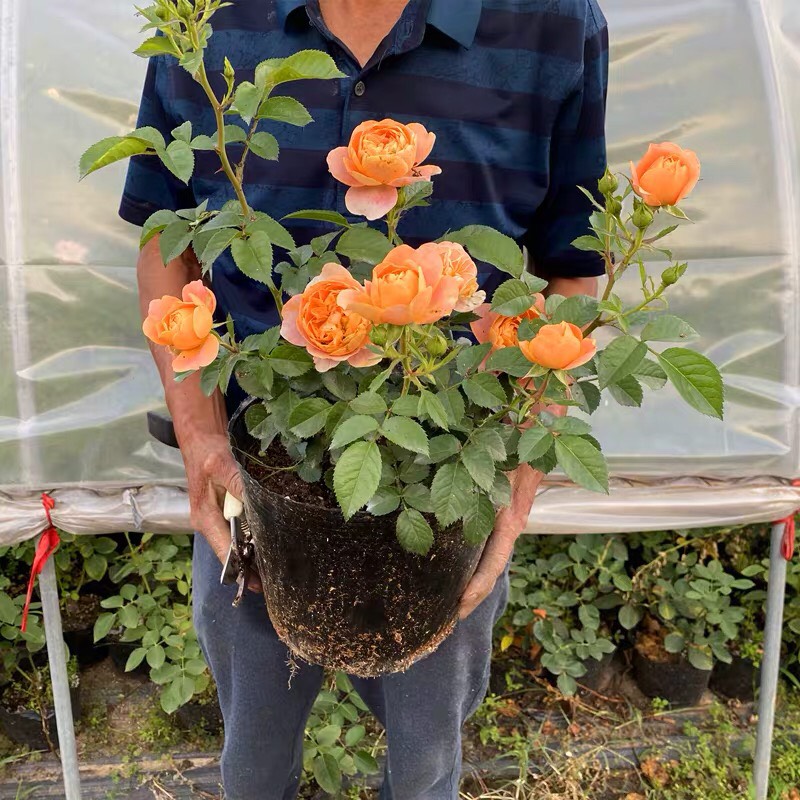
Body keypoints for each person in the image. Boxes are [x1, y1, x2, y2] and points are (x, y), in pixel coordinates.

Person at [121, 1, 609, 796]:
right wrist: (201, 437)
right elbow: (163, 237)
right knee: (250, 760)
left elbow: (570, 265)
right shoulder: (206, 18)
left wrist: (518, 476)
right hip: (260, 470)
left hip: (448, 479)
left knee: (424, 766)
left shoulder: (551, 21)